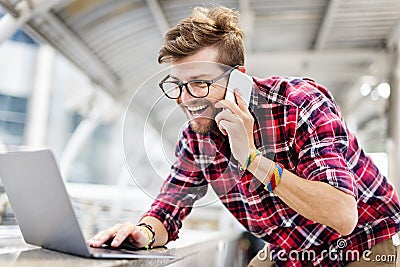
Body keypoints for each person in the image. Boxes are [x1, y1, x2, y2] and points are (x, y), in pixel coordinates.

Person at [88, 5, 400, 266]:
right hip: (293, 250)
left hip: (364, 243)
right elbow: (167, 210)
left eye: (199, 83)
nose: (185, 99)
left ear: (239, 78)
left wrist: (251, 158)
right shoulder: (198, 137)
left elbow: (343, 215)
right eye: (178, 85)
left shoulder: (299, 103)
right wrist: (145, 233)